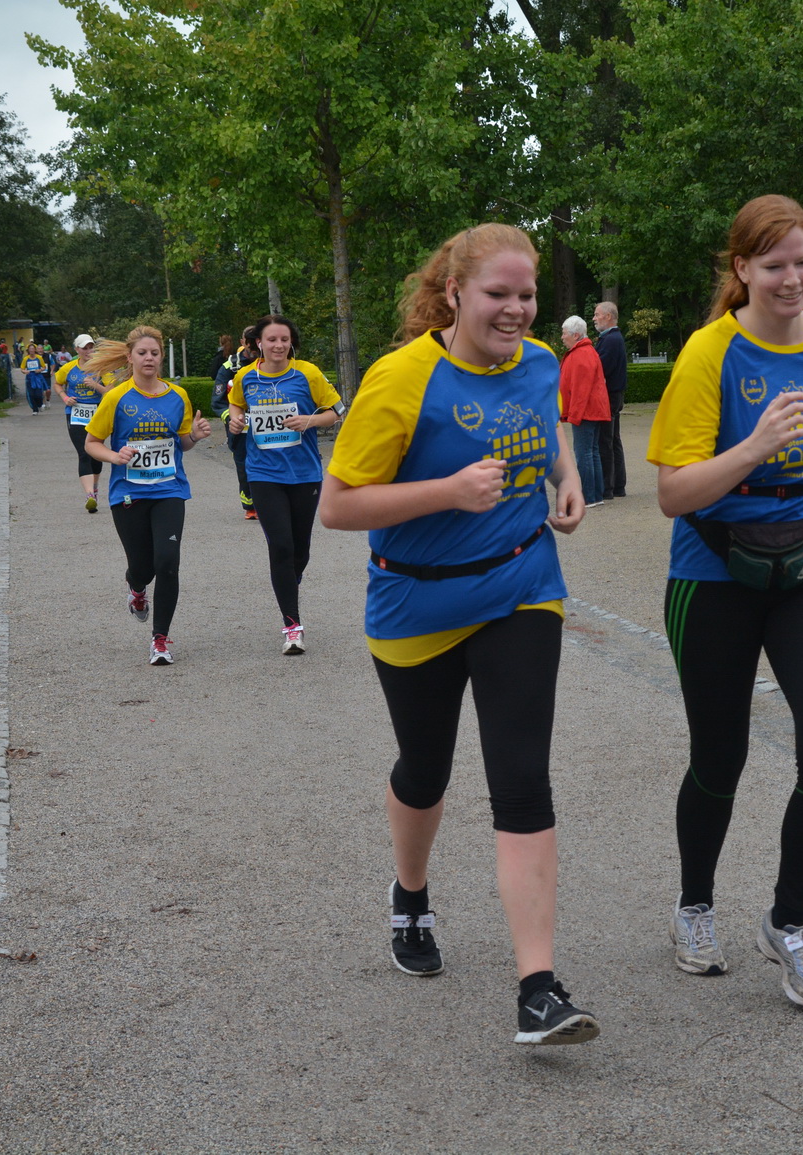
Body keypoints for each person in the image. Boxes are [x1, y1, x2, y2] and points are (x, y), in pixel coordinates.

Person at [319, 222, 598, 1046]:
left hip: (522, 587)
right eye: (497, 295)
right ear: (453, 294)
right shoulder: (402, 379)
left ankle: (539, 989)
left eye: (527, 295)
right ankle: (411, 896)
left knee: (521, 778)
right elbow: (338, 505)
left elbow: (545, 431)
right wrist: (444, 490)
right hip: (417, 605)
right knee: (425, 768)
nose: (515, 311)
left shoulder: (542, 362)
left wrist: (569, 477)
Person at [648, 195, 803, 1008]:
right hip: (715, 576)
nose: (794, 277)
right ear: (742, 269)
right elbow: (674, 492)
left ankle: (789, 922)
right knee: (720, 757)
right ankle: (694, 905)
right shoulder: (709, 353)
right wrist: (753, 447)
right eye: (776, 263)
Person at [84, 326, 213, 664]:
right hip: (128, 492)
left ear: (161, 358)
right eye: (143, 353)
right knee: (142, 567)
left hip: (169, 489)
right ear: (130, 358)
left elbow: (181, 442)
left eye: (155, 353)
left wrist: (195, 437)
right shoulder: (116, 397)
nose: (149, 358)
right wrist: (115, 457)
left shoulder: (177, 396)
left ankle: (160, 640)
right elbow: (92, 443)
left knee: (168, 563)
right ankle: (137, 591)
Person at [226, 314, 341, 655]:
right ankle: (292, 626)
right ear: (258, 343)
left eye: (284, 340)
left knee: (300, 550)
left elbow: (336, 411)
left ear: (292, 343)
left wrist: (309, 420)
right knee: (281, 547)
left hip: (305, 473)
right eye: (271, 340)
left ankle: (291, 582)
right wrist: (234, 419)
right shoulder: (246, 377)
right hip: (263, 473)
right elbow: (235, 404)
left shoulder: (307, 373)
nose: (278, 345)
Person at [558, 315, 610, 508]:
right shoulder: (585, 352)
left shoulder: (581, 354)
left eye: (564, 333)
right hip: (591, 411)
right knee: (592, 452)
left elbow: (581, 390)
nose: (562, 337)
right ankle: (596, 495)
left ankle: (589, 496)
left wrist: (575, 415)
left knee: (584, 454)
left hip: (586, 412)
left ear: (576, 334)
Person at [54, 334, 107, 512]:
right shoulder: (68, 368)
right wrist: (65, 397)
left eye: (91, 347)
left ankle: (95, 485)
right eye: (84, 348)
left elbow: (110, 392)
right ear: (76, 350)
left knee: (96, 455)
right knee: (83, 453)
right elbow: (57, 384)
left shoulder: (101, 368)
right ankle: (89, 495)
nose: (88, 351)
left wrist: (95, 385)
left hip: (97, 414)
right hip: (75, 414)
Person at [214, 326, 257, 520]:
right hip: (240, 428)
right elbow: (217, 401)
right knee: (244, 464)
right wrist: (232, 419)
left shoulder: (274, 363)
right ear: (242, 342)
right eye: (249, 341)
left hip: (269, 427)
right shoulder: (230, 366)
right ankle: (250, 505)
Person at [592, 301, 629, 498]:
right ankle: (618, 485)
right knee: (613, 440)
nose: (594, 318)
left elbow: (600, 369)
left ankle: (608, 487)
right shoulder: (612, 338)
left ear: (608, 316)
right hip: (615, 395)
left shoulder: (611, 340)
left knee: (605, 440)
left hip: (609, 396)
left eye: (597, 314)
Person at [20, 344, 50, 413]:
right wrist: (25, 371)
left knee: (38, 394)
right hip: (30, 378)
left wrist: (40, 370)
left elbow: (44, 367)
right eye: (30, 349)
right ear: (28, 350)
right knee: (31, 394)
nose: (31, 350)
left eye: (33, 349)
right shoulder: (26, 359)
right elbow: (22, 368)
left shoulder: (39, 358)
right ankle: (34, 409)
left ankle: (40, 404)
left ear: (35, 350)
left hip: (38, 377)